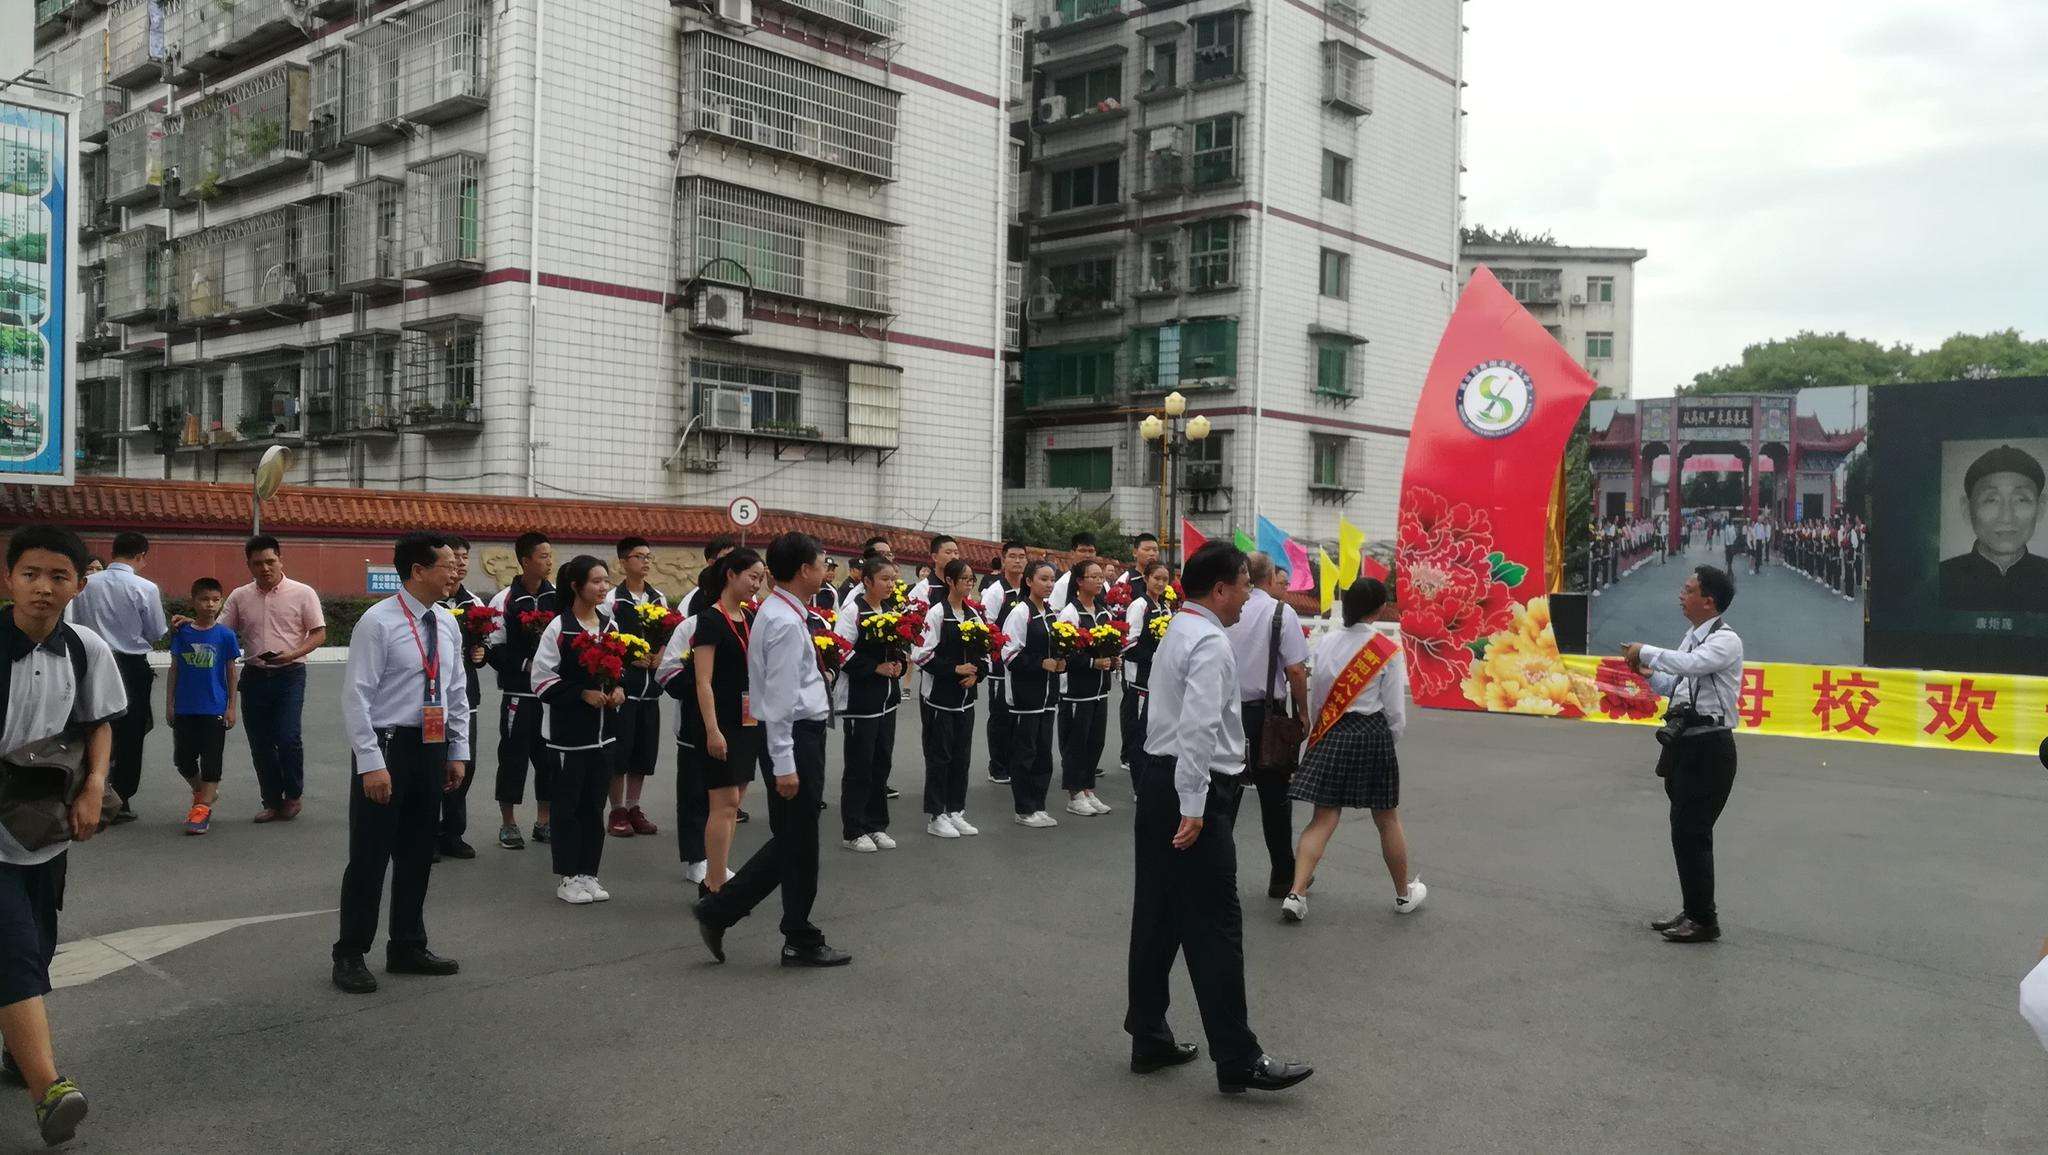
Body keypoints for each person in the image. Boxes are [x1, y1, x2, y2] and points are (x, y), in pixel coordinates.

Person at [1127, 542, 1312, 1096]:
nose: (1249, 596)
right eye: (1244, 586)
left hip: (1164, 779)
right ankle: (1237, 1056)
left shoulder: (1181, 629)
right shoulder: (1208, 641)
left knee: (1158, 912)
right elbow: (1200, 728)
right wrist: (1194, 804)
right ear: (1221, 589)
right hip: (1196, 783)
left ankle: (1149, 1034)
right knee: (1215, 922)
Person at [0, 526, 122, 1144]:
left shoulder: (86, 649)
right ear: (8, 580)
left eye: (58, 576)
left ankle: (13, 1048)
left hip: (41, 825)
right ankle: (49, 1088)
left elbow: (99, 722)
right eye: (29, 574)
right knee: (14, 950)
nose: (43, 588)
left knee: (38, 948)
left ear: (78, 584)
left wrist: (96, 785)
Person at [693, 532, 850, 969]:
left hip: (798, 736)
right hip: (795, 738)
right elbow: (779, 702)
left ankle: (776, 926)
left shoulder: (782, 611)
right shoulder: (781, 620)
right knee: (799, 842)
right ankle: (764, 924)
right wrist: (785, 764)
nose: (826, 569)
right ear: (804, 570)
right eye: (822, 562)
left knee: (795, 841)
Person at [332, 533, 467, 995]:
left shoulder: (447, 623)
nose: (456, 571)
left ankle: (407, 945)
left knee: (417, 853)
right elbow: (356, 696)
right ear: (417, 570)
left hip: (430, 746)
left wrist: (456, 750)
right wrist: (370, 763)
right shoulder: (378, 622)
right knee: (369, 856)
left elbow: (455, 694)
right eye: (448, 564)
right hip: (386, 748)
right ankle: (350, 953)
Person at [1279, 578, 1421, 923]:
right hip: (1371, 733)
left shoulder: (1325, 642)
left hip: (1331, 730)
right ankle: (1404, 894)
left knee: (1323, 817)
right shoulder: (1385, 650)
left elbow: (1317, 694)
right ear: (1377, 609)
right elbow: (1395, 713)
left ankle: (1296, 892)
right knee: (1386, 818)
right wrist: (1389, 742)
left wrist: (1316, 730)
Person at [1622, 564, 1745, 945]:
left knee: (1693, 832)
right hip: (1687, 744)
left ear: (1709, 601)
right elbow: (1677, 685)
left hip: (1711, 746)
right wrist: (1646, 672)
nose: (1682, 594)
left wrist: (1649, 650)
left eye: (1688, 589)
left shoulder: (1726, 641)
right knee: (1683, 831)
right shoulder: (1692, 636)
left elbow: (1693, 666)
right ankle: (1693, 909)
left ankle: (1704, 919)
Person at [530, 556, 623, 905]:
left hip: (604, 735)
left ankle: (589, 873)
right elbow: (541, 681)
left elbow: (619, 670)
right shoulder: (559, 628)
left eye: (605, 581)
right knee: (567, 807)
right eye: (596, 581)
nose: (603, 587)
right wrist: (581, 694)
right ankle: (568, 876)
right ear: (576, 586)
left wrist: (618, 689)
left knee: (594, 807)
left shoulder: (609, 626)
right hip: (568, 738)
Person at [61, 531, 164, 826]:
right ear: (142, 555)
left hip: (90, 659)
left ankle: (83, 787)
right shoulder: (145, 587)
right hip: (130, 665)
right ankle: (120, 796)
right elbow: (156, 632)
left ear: (113, 550)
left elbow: (73, 623)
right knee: (131, 731)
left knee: (91, 724)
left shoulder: (86, 584)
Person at [221, 535, 326, 823]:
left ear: (281, 560)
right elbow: (221, 633)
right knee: (260, 742)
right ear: (249, 566)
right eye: (258, 563)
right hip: (254, 675)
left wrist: (292, 654)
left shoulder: (303, 593)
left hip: (290, 674)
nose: (265, 568)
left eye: (270, 561)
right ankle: (271, 800)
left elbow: (318, 633)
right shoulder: (239, 596)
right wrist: (190, 625)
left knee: (288, 736)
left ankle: (293, 795)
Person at [1226, 554, 1308, 900]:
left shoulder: (1227, 609)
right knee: (1275, 800)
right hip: (1268, 717)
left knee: (1225, 794)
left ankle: (1216, 874)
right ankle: (1282, 874)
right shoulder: (1279, 612)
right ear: (1271, 576)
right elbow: (1296, 670)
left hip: (1227, 712)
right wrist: (1302, 712)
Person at [691, 549, 766, 894]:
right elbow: (702, 680)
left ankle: (719, 872)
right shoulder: (709, 619)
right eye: (752, 576)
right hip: (719, 722)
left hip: (747, 720)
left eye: (760, 578)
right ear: (730, 575)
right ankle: (713, 882)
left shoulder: (751, 618)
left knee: (735, 801)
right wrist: (712, 730)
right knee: (724, 803)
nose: (757, 584)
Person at [487, 532, 557, 849]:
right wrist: (527, 664)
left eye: (550, 555)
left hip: (551, 696)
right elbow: (494, 649)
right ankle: (508, 823)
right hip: (519, 695)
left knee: (548, 760)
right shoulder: (505, 601)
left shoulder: (558, 599)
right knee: (513, 758)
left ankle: (544, 821)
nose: (549, 561)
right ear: (525, 560)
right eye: (542, 556)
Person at [911, 559, 988, 839]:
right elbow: (921, 655)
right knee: (939, 756)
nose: (969, 583)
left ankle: (957, 810)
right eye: (964, 579)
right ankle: (937, 814)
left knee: (961, 757)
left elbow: (986, 653)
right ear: (950, 582)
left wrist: (977, 674)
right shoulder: (937, 614)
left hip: (965, 699)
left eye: (972, 579)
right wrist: (954, 669)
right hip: (939, 699)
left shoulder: (974, 615)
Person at [834, 554, 904, 852]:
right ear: (867, 581)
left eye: (893, 579)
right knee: (859, 765)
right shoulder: (853, 611)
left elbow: (901, 644)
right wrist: (874, 668)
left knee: (881, 763)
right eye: (884, 579)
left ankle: (877, 825)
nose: (890, 584)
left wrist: (899, 662)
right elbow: (840, 652)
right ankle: (854, 829)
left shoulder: (891, 609)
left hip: (887, 700)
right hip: (861, 701)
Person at [165, 578, 240, 837]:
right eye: (204, 599)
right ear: (193, 601)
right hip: (185, 708)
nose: (210, 605)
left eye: (215, 600)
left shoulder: (225, 635)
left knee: (211, 760)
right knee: (183, 759)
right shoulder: (182, 633)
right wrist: (170, 704)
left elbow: (231, 673)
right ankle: (203, 792)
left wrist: (231, 707)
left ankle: (202, 809)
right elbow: (174, 670)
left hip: (214, 708)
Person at [605, 537, 665, 839]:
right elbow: (607, 639)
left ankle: (633, 806)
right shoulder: (612, 599)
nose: (645, 561)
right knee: (620, 750)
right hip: (624, 686)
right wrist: (629, 657)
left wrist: (660, 656)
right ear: (623, 561)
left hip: (650, 688)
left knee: (643, 751)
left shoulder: (658, 598)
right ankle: (616, 809)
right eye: (638, 556)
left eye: (648, 556)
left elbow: (667, 631)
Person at [1939, 445, 2048, 612]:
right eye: (1991, 500)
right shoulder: (1940, 578)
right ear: (1967, 509)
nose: (2006, 517)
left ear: (2040, 508)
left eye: (2021, 500)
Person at [436, 535, 488, 860]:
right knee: (431, 767)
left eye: (465, 557)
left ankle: (452, 832)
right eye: (454, 557)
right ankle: (425, 833)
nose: (460, 563)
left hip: (466, 698)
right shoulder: (430, 601)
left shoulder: (476, 606)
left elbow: (488, 646)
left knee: (463, 765)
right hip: (429, 704)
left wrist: (483, 652)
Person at [1000, 560, 1063, 828]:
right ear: (1029, 581)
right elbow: (1009, 654)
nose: (1049, 584)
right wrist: (1040, 663)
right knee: (1025, 753)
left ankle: (1039, 804)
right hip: (1026, 696)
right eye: (1043, 579)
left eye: (1052, 580)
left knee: (1043, 753)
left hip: (1048, 696)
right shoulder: (1020, 612)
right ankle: (1024, 809)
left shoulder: (1050, 613)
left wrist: (1061, 661)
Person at [1056, 558, 1115, 817]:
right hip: (1077, 689)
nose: (1100, 581)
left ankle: (1088, 788)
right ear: (1079, 582)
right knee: (1076, 741)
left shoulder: (1104, 612)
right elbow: (1065, 654)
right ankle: (1074, 792)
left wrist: (1113, 659)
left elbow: (1112, 642)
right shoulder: (1070, 613)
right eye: (1094, 576)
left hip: (1100, 687)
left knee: (1095, 740)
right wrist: (1093, 662)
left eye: (1101, 576)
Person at [980, 541, 1029, 786]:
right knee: (1000, 716)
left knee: (1018, 715)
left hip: (1023, 666)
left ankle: (1014, 761)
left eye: (1021, 556)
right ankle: (997, 765)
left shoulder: (1029, 589)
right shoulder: (996, 591)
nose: (1018, 561)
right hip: (1000, 666)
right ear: (1003, 559)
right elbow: (985, 626)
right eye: (1012, 556)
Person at [1119, 561, 1173, 785]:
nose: (1160, 583)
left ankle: (1150, 781)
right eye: (1156, 578)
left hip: (1158, 682)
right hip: (1140, 680)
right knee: (1139, 734)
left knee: (1155, 732)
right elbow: (1129, 646)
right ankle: (1138, 785)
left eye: (1164, 579)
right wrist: (1155, 658)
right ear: (1146, 579)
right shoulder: (1139, 606)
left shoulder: (1164, 606)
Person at [1049, 532, 1099, 610]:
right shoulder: (1063, 584)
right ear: (1072, 553)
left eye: (1091, 551)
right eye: (1082, 551)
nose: (1087, 555)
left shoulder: (1102, 584)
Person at [906, 535, 959, 606]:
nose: (953, 557)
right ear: (935, 557)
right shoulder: (923, 589)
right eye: (948, 552)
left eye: (956, 553)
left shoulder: (960, 587)